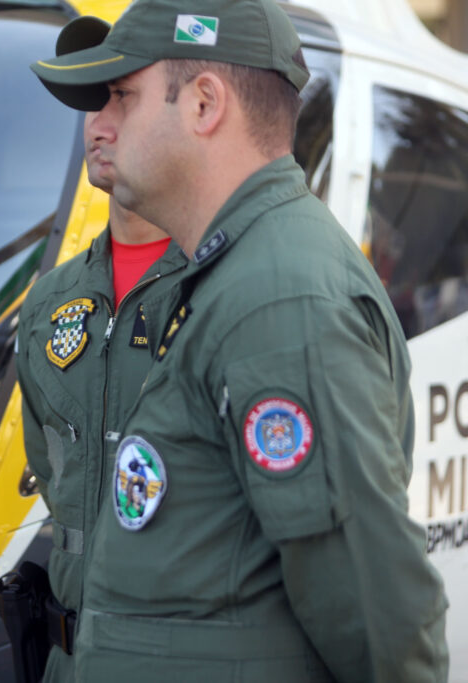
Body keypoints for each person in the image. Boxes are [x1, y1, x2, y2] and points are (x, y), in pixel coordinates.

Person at [29, 0, 448, 680]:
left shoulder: (279, 297)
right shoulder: (239, 274)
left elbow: (378, 610)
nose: (99, 126)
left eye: (124, 98)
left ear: (203, 105)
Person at [12, 15, 187, 682]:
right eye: (90, 101)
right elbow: (55, 475)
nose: (97, 123)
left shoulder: (223, 286)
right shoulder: (53, 300)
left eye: (120, 96)